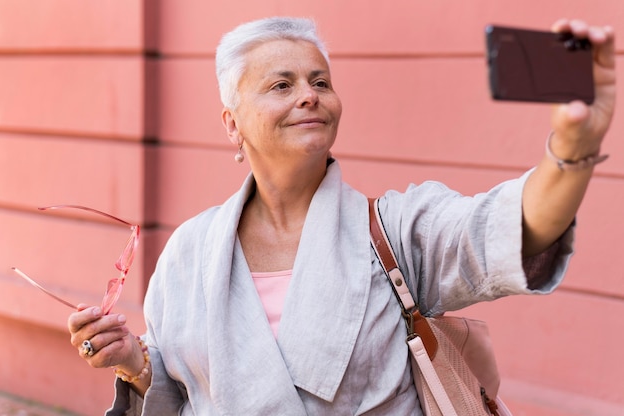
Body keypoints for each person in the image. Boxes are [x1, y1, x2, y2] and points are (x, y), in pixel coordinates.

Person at [67, 16, 616, 415]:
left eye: (320, 82)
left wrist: (572, 148)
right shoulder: (190, 251)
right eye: (282, 85)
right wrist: (135, 363)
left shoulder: (396, 231)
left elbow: (511, 227)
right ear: (232, 124)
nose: (309, 96)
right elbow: (180, 390)